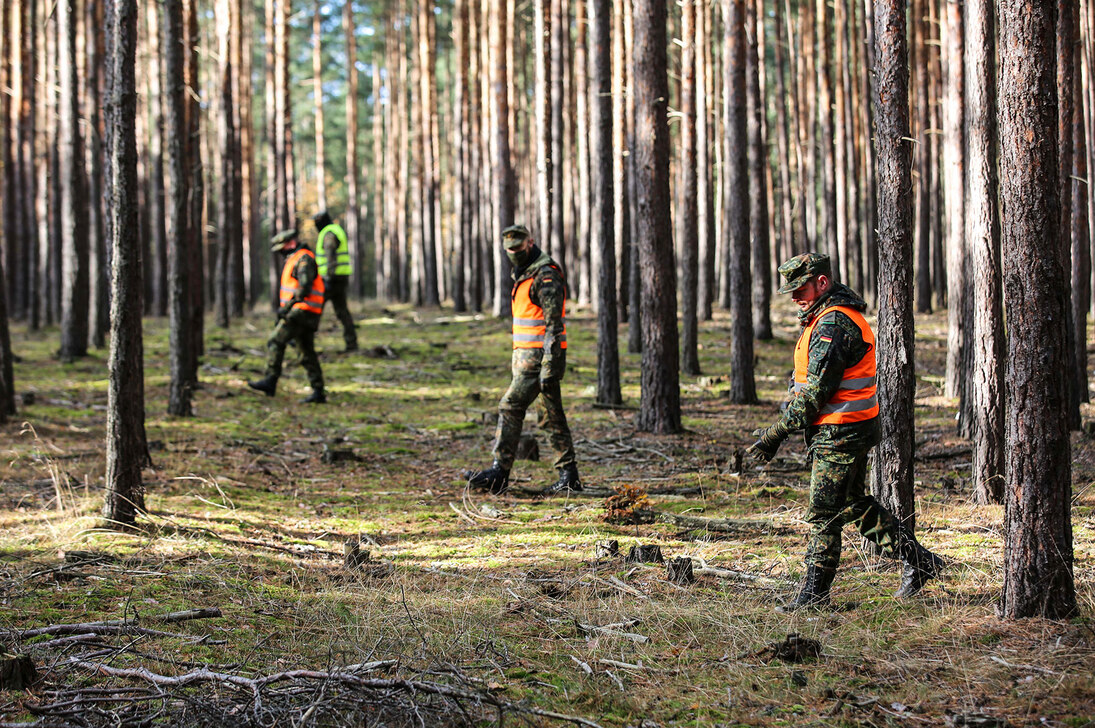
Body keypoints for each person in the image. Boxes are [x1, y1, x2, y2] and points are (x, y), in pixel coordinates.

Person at [747, 252, 943, 611]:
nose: (793, 297)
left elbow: (814, 397)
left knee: (823, 514)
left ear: (822, 283)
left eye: (800, 288)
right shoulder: (827, 317)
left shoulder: (833, 325)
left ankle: (814, 596)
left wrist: (774, 435)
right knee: (853, 503)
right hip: (847, 429)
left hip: (840, 433)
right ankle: (921, 562)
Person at [466, 224, 582, 495]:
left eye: (519, 248)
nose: (514, 253)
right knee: (550, 416)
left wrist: (551, 366)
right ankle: (569, 475)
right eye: (510, 250)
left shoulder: (545, 275)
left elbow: (554, 324)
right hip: (527, 360)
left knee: (510, 406)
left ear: (531, 242)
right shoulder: (525, 274)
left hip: (540, 361)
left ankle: (499, 471)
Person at [248, 229, 327, 404]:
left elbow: (304, 287)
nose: (281, 252)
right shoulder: (296, 259)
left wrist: (287, 309)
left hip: (302, 311)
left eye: (282, 248)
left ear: (290, 243)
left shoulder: (304, 259)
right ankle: (318, 391)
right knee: (306, 352)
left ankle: (270, 380)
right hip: (302, 311)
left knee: (276, 340)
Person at [313, 210, 358, 352]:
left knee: (314, 310)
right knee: (342, 311)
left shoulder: (328, 233)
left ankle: (305, 342)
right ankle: (352, 343)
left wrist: (327, 278)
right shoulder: (336, 230)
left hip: (330, 280)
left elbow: (330, 258)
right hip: (340, 278)